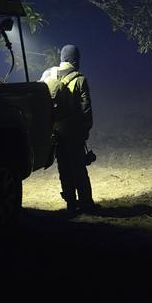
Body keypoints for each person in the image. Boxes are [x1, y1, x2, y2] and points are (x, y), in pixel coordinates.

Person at [40, 44, 98, 214]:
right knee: (79, 167)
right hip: (73, 131)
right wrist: (85, 130)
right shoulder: (80, 79)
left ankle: (71, 203)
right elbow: (86, 109)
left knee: (63, 167)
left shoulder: (48, 74)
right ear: (75, 59)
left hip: (54, 130)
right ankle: (86, 203)